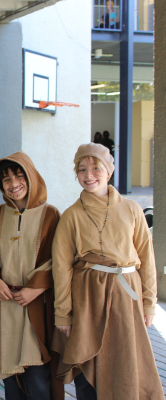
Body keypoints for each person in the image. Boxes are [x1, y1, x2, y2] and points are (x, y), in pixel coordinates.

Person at [52, 143, 162, 400]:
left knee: (125, 361)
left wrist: (149, 303)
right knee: (86, 360)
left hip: (126, 296)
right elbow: (61, 266)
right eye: (81, 169)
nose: (88, 175)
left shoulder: (132, 209)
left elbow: (147, 259)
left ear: (109, 171)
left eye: (96, 168)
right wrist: (63, 313)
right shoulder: (71, 215)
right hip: (87, 296)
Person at [0, 152, 64, 400]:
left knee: (37, 377)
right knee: (11, 377)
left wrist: (36, 288)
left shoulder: (50, 214)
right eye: (6, 179)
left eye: (19, 176)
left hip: (35, 305)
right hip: (4, 304)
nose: (13, 183)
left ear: (31, 177)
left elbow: (59, 260)